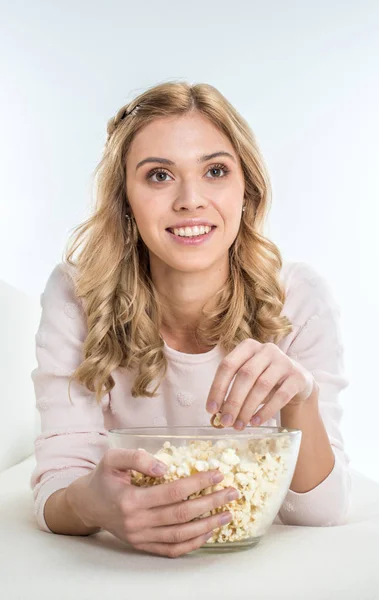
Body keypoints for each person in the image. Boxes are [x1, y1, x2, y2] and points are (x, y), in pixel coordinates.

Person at [30, 80, 351, 558]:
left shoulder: (298, 298)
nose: (190, 200)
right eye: (159, 176)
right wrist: (92, 507)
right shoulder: (78, 294)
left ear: (247, 189)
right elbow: (58, 482)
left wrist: (301, 401)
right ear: (126, 201)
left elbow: (321, 511)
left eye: (216, 171)